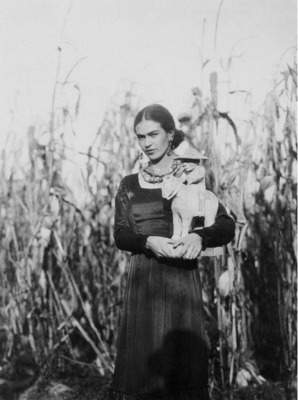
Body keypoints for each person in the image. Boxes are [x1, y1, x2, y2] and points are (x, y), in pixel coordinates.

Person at [108, 104, 235, 400]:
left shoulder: (192, 175)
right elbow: (121, 234)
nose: (147, 142)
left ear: (170, 134)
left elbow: (226, 225)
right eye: (141, 137)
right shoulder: (129, 185)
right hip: (144, 282)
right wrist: (148, 242)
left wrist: (198, 236)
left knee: (181, 371)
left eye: (153, 134)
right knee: (141, 368)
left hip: (181, 282)